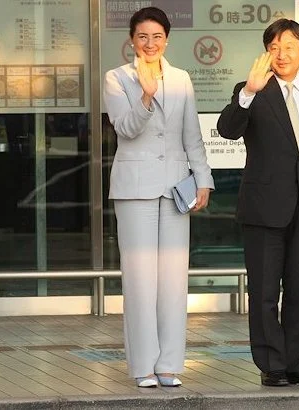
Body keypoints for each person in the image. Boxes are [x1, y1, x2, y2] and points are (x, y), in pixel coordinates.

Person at [217, 19, 299, 387]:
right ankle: (271, 364)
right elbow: (228, 129)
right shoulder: (252, 90)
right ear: (265, 53)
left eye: (289, 46)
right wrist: (249, 93)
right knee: (265, 291)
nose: (282, 54)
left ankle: (294, 361)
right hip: (263, 208)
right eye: (274, 47)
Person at [103, 7, 214, 388]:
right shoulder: (117, 78)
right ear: (132, 40)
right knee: (139, 280)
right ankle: (143, 366)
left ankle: (169, 364)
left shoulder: (181, 78)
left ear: (167, 39)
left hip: (175, 188)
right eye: (142, 37)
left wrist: (203, 179)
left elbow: (191, 134)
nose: (150, 44)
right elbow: (125, 129)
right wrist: (146, 97)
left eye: (157, 37)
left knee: (172, 280)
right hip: (135, 189)